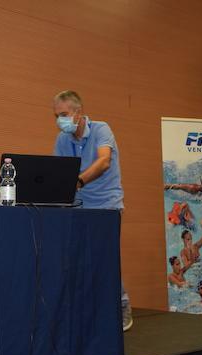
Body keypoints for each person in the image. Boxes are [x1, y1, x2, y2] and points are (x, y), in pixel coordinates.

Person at [51, 90, 133, 331]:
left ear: (78, 112)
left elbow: (104, 161)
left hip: (106, 205)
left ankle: (122, 306)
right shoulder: (62, 140)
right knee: (77, 260)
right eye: (56, 116)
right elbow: (59, 173)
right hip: (77, 207)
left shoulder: (101, 130)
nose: (59, 120)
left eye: (63, 114)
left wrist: (78, 181)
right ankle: (87, 312)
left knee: (104, 258)